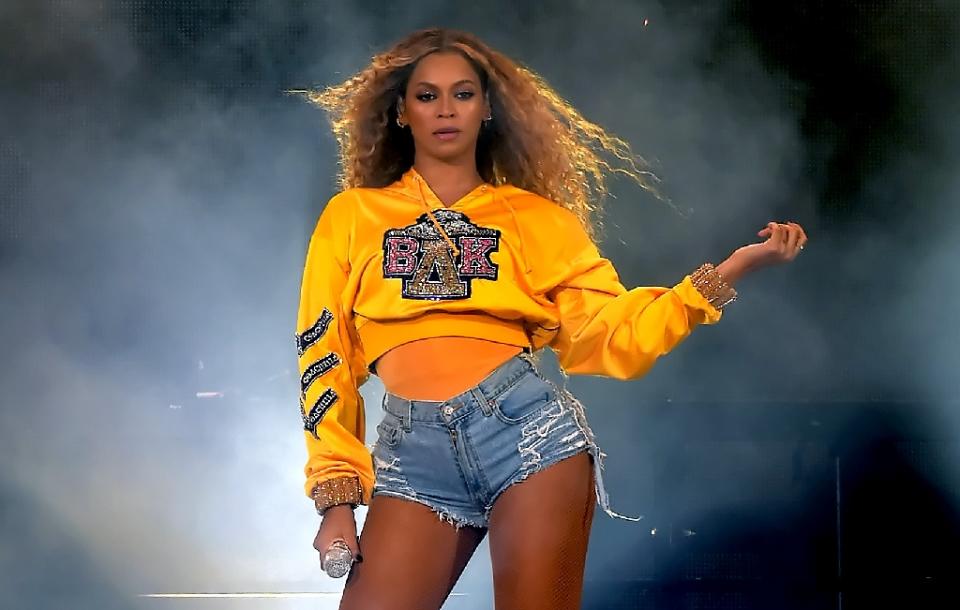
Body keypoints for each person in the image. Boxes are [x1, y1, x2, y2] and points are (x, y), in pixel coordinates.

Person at [293, 27, 807, 610]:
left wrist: (726, 275)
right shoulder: (353, 216)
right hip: (412, 454)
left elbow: (613, 334)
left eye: (463, 94)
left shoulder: (539, 220)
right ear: (402, 111)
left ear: (486, 109)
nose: (446, 110)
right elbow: (323, 353)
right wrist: (337, 499)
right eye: (427, 95)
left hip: (526, 434)